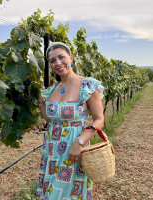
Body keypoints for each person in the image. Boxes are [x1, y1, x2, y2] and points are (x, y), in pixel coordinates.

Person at [36, 42, 104, 200]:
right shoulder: (53, 88)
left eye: (61, 57)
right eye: (52, 60)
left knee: (67, 194)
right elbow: (49, 119)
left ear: (70, 58)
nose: (57, 63)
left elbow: (99, 119)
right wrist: (40, 101)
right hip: (51, 151)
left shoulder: (86, 85)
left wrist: (79, 142)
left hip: (73, 150)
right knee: (51, 192)